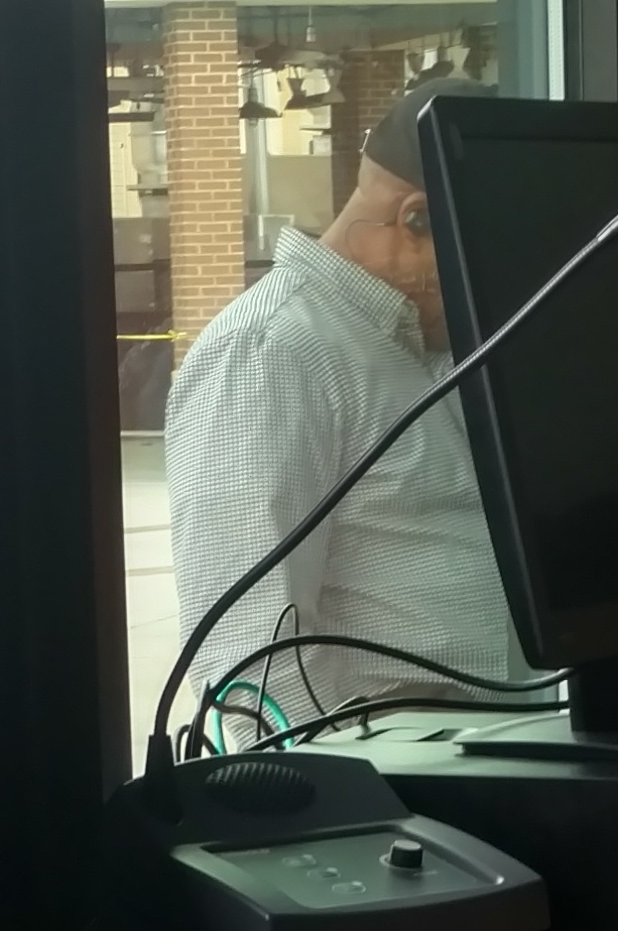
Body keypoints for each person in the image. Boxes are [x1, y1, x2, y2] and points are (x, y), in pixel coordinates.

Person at [160, 74, 543, 734]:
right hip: (416, 787)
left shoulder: (432, 348)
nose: (500, 287)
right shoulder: (269, 354)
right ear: (416, 218)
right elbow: (253, 672)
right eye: (492, 257)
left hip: (522, 752)